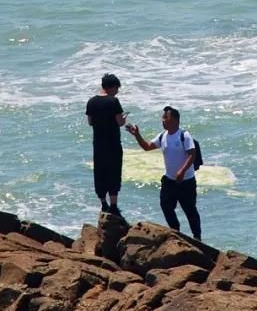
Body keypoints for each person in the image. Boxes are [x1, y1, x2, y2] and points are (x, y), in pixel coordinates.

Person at [125, 106, 201, 240]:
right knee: (166, 206)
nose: (163, 120)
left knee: (190, 210)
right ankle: (175, 231)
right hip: (169, 180)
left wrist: (182, 171)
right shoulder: (163, 136)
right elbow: (147, 147)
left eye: (166, 117)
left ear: (176, 120)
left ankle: (197, 237)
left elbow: (192, 155)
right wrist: (137, 135)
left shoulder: (184, 135)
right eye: (163, 117)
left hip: (186, 181)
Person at [85, 73, 127, 217]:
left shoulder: (91, 102)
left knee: (100, 172)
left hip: (98, 144)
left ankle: (103, 204)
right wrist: (124, 119)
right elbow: (120, 122)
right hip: (113, 143)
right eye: (117, 88)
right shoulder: (113, 102)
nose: (117, 91)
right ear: (112, 87)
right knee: (113, 172)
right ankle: (114, 206)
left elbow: (90, 122)